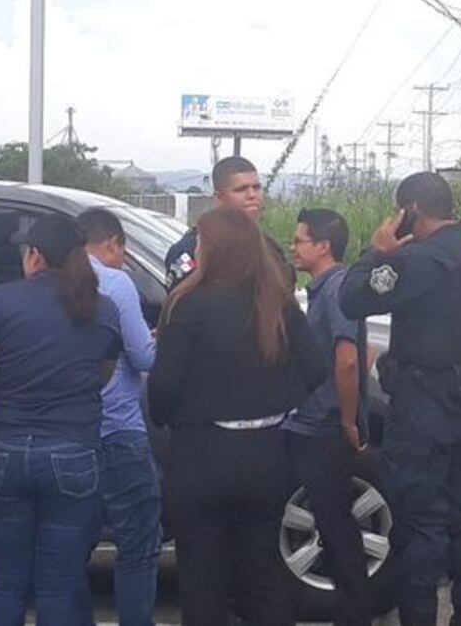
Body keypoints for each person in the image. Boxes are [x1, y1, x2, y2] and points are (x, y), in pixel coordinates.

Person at [338, 172, 461, 626]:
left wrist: (378, 249)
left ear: (411, 209)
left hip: (423, 410)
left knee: (421, 527)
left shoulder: (420, 260)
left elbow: (352, 298)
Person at [148, 208, 325, 626]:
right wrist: (280, 400)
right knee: (262, 576)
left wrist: (180, 414)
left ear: (212, 249)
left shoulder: (188, 303)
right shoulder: (277, 300)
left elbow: (162, 391)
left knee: (203, 581)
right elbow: (317, 367)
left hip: (202, 456)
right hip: (265, 453)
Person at [0, 214, 121, 624]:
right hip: (72, 454)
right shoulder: (103, 308)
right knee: (59, 585)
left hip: (6, 454)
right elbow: (105, 372)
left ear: (35, 256)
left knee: (6, 582)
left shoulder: (0, 300)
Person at [284, 208, 372, 626]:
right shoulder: (321, 288)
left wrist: (348, 420)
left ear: (323, 246)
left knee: (337, 524)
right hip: (312, 421)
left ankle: (355, 613)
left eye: (300, 240)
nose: (293, 247)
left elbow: (348, 358)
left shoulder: (337, 288)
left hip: (323, 424)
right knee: (330, 519)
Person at [79, 208, 162, 626]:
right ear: (113, 243)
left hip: (71, 435)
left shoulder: (55, 281)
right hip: (119, 430)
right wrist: (160, 339)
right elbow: (142, 355)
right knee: (138, 543)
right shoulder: (116, 282)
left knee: (72, 547)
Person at [164, 155, 294, 291]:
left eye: (256, 187)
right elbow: (181, 304)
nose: (251, 195)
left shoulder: (270, 248)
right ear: (219, 198)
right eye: (241, 189)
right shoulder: (191, 250)